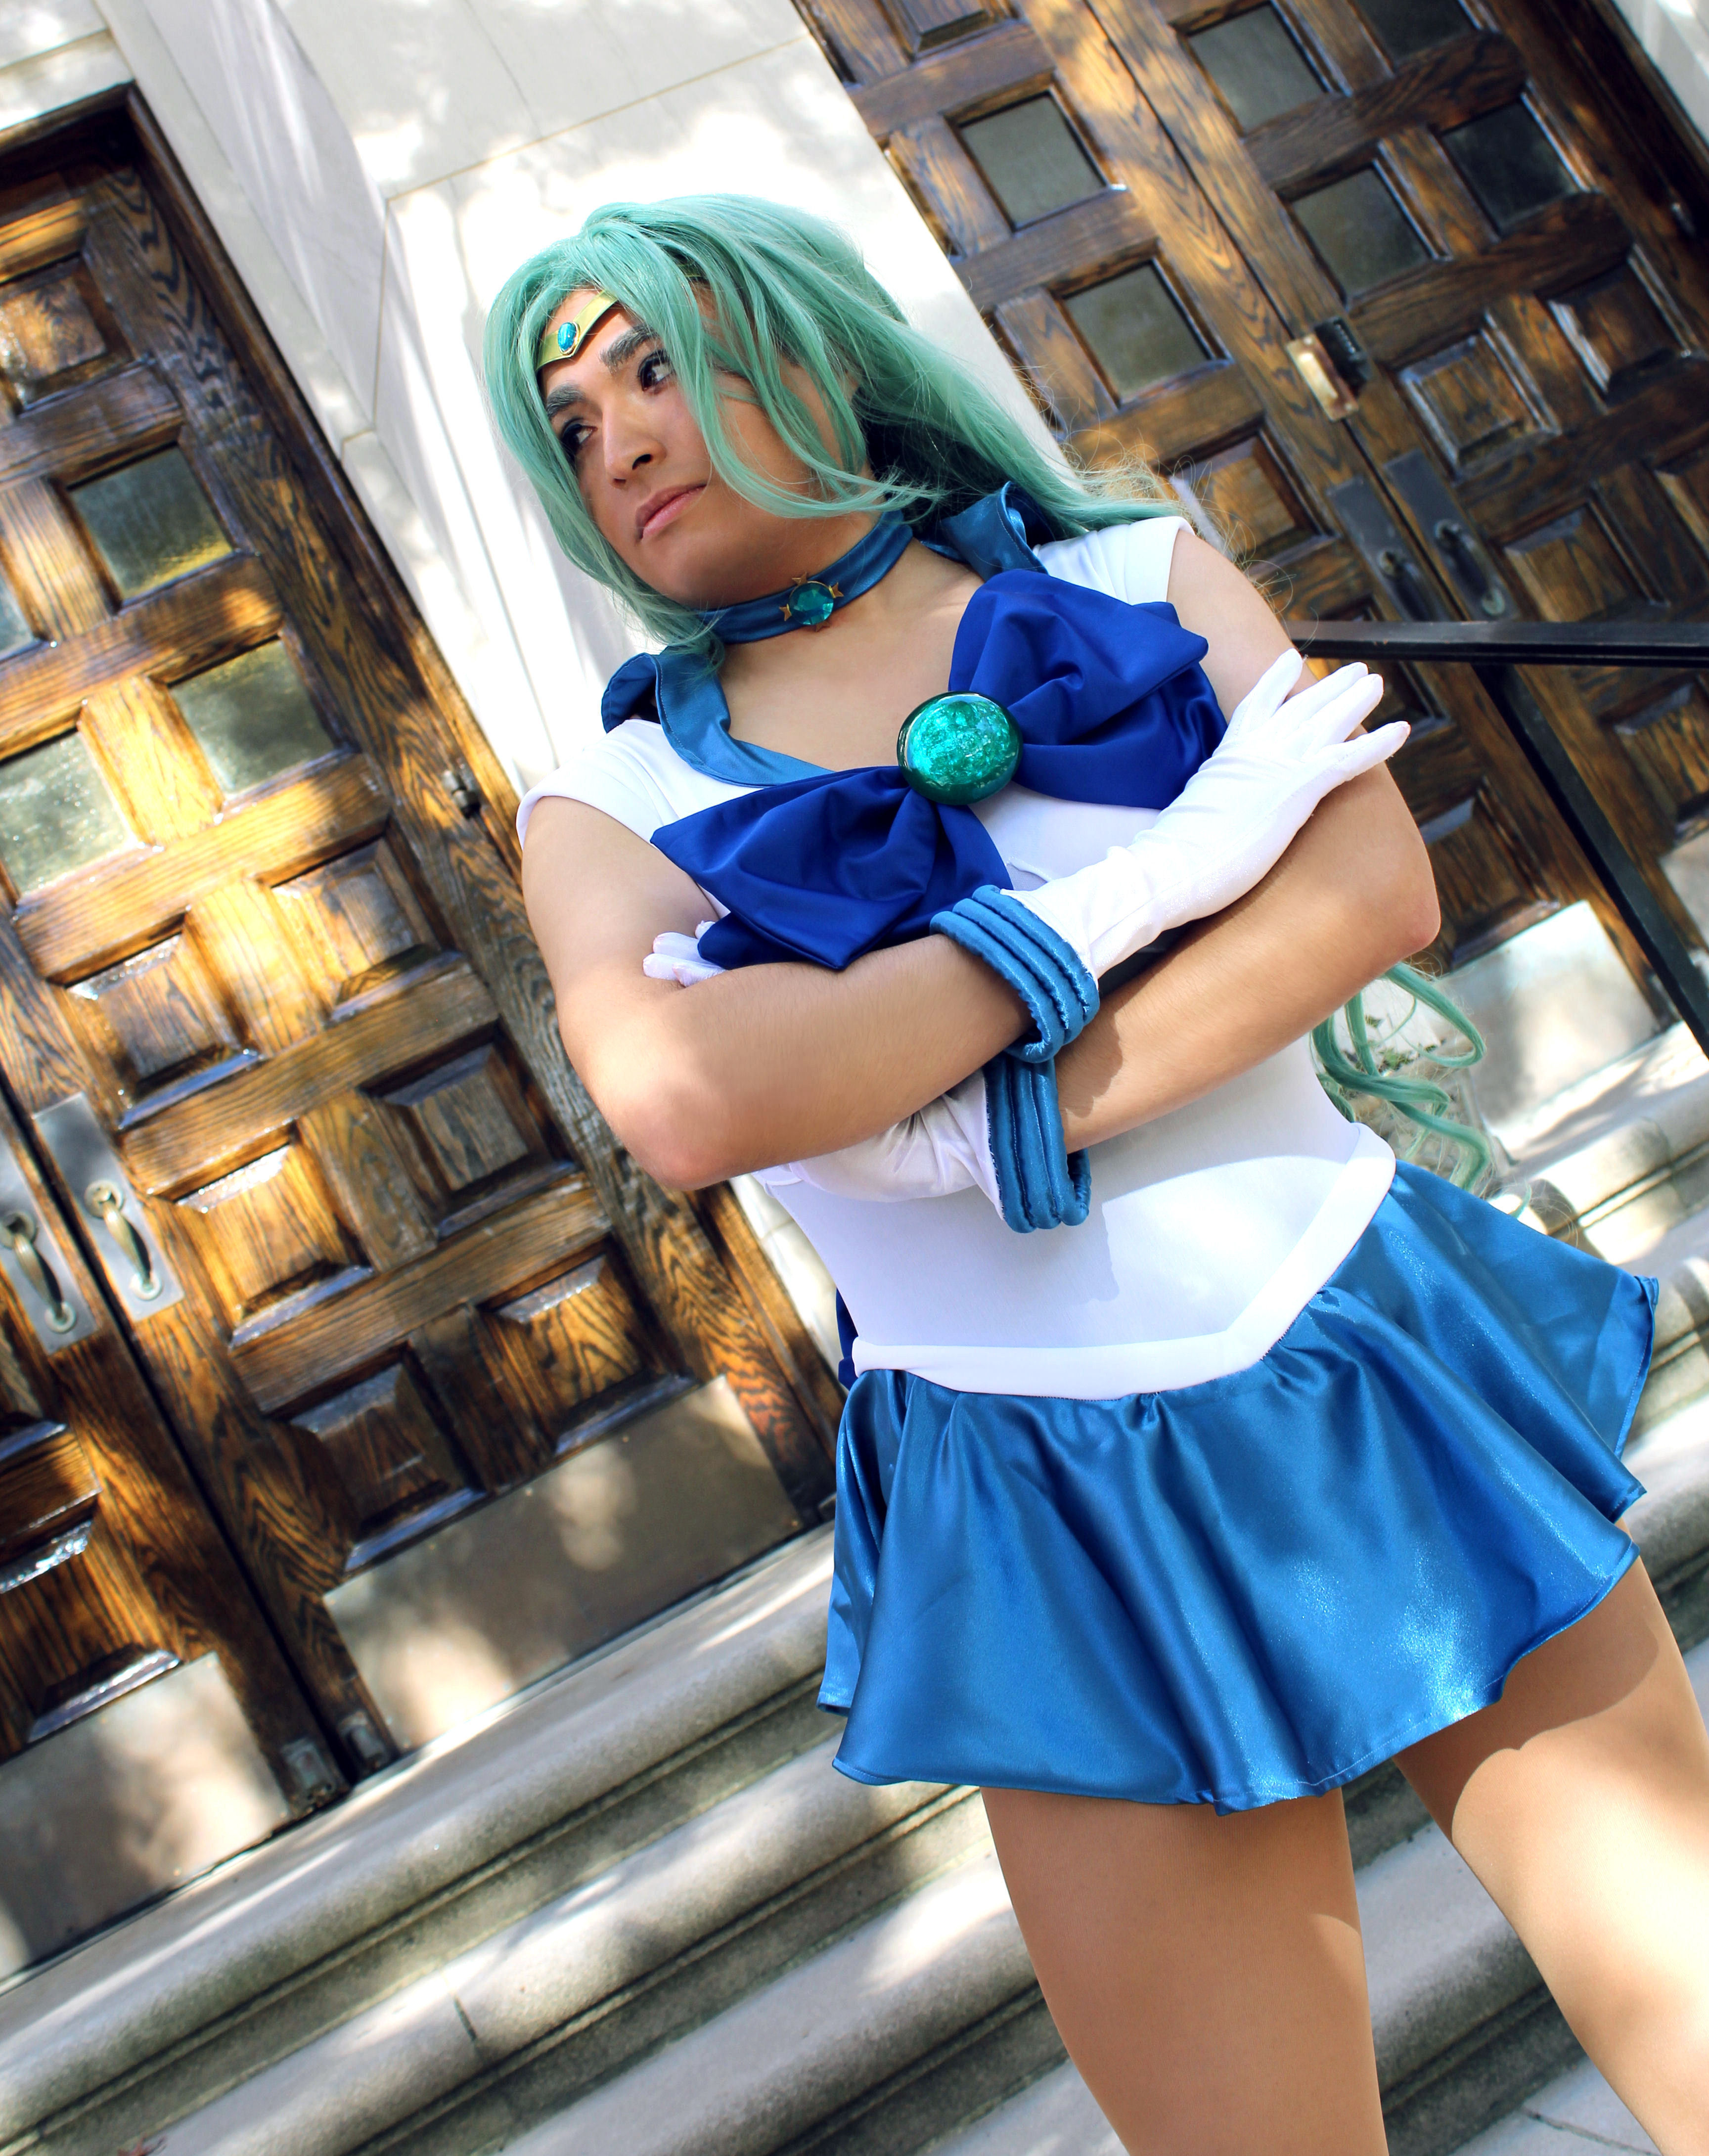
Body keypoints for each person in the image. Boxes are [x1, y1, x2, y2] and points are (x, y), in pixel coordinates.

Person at [487, 194, 1709, 2155]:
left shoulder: (1135, 569)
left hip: (1353, 1335)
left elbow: (1366, 893)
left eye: (658, 368)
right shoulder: (608, 803)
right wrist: (1162, 880)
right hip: (1026, 1482)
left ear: (821, 355)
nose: (618, 439)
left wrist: (970, 1117)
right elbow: (699, 1103)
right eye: (570, 422)